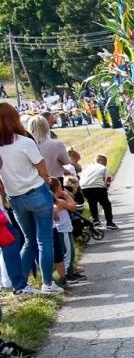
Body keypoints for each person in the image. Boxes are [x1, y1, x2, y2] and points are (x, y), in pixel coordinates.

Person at [0, 102, 58, 296]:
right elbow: (42, 169)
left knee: (28, 241)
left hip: (15, 197)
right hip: (36, 191)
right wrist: (48, 183)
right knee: (45, 240)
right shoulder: (24, 142)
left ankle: (21, 284)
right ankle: (47, 283)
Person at [78, 154, 116, 229]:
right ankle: (109, 222)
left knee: (92, 203)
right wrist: (106, 188)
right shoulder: (103, 168)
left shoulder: (86, 168)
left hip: (84, 188)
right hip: (98, 187)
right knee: (106, 204)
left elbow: (81, 178)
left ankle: (96, 220)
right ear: (103, 162)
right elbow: (108, 180)